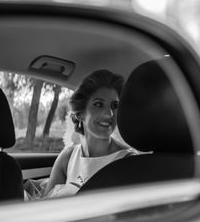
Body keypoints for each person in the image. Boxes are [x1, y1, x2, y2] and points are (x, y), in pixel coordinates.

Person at [43, 69, 137, 198]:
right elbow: (45, 208)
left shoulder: (128, 161)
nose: (109, 114)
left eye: (114, 106)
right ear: (80, 113)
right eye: (99, 104)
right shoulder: (67, 157)